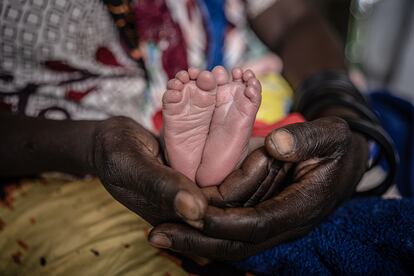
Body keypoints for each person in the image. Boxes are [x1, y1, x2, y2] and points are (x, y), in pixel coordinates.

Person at [0, 0, 392, 261]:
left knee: (282, 131)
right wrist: (91, 145)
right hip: (66, 153)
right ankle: (226, 153)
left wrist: (342, 109)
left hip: (252, 77)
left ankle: (224, 153)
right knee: (275, 133)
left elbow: (293, 16)